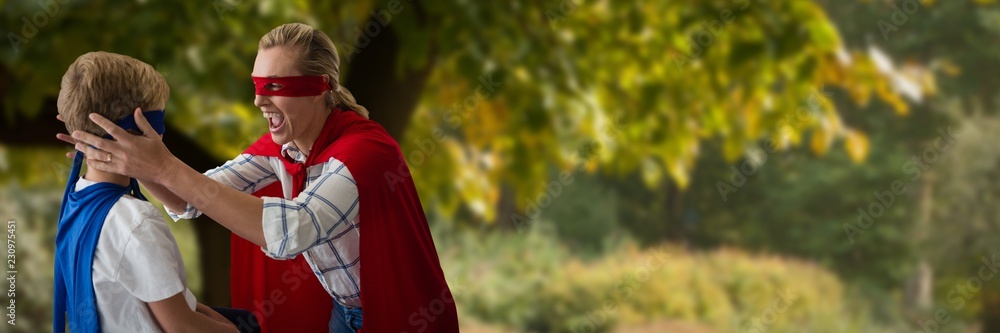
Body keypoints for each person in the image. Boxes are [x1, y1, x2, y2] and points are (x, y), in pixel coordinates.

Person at [66, 23, 460, 332]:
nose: (258, 101)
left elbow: (291, 231)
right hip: (343, 313)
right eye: (256, 85)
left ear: (320, 88)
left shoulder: (365, 152)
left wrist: (163, 165)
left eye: (275, 86)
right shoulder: (281, 147)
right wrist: (130, 161)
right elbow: (189, 198)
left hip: (399, 315)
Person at [54, 52, 257, 332]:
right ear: (136, 131)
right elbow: (183, 327)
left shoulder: (76, 198)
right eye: (158, 121)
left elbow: (175, 302)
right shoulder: (136, 222)